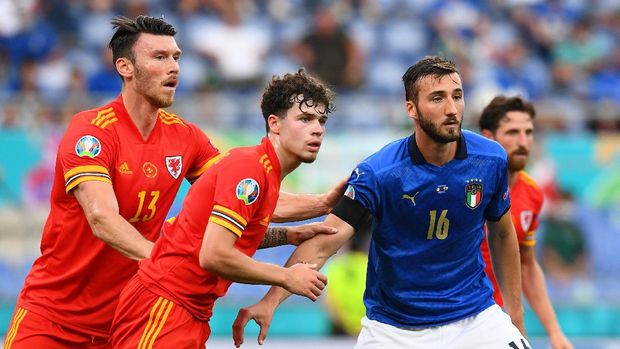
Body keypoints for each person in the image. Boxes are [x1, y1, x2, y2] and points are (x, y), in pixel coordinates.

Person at [3, 16, 341, 349]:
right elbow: (101, 218)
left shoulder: (186, 138)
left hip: (125, 319)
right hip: (53, 316)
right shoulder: (92, 132)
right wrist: (164, 264)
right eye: (160, 57)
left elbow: (242, 198)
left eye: (177, 57)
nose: (174, 67)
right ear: (125, 67)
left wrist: (323, 204)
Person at [233, 56, 529, 349]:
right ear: (411, 108)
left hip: (474, 319)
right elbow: (325, 241)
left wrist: (515, 312)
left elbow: (502, 233)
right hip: (395, 330)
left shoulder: (491, 159)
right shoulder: (378, 173)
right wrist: (271, 301)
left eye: (457, 96)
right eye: (437, 99)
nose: (452, 109)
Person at [108, 68, 334, 348]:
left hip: (188, 310)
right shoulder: (249, 171)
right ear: (274, 123)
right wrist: (286, 276)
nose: (318, 129)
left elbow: (217, 239)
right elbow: (213, 254)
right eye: (305, 118)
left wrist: (287, 236)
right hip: (163, 306)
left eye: (322, 121)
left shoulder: (265, 175)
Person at [479, 95, 573, 349]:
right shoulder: (467, 188)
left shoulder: (533, 193)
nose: (523, 142)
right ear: (489, 137)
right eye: (512, 132)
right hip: (454, 314)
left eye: (528, 132)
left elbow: (527, 264)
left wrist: (554, 331)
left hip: (497, 320)